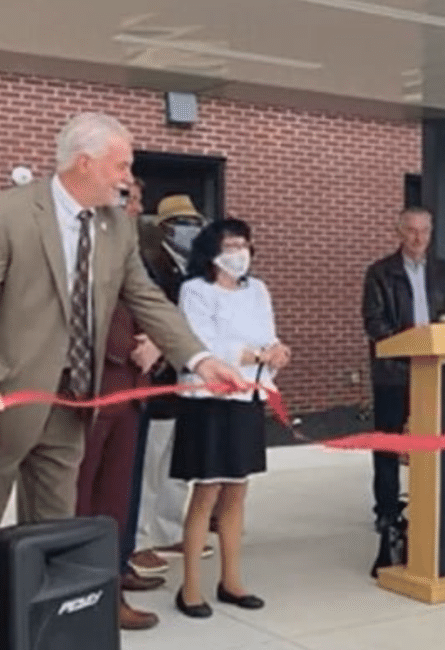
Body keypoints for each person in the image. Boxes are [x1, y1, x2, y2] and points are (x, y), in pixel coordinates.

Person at [0, 111, 248, 529]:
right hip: (5, 400)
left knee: (53, 532)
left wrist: (199, 360)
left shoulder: (118, 229)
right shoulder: (6, 213)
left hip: (74, 403)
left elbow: (147, 299)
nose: (127, 177)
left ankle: (37, 596)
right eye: (121, 165)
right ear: (84, 162)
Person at [172, 217, 290, 617]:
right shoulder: (194, 291)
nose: (241, 252)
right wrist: (254, 353)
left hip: (247, 397)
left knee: (237, 490)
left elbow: (267, 335)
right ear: (212, 251)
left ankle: (232, 580)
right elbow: (205, 344)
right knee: (207, 491)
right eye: (232, 244)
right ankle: (189, 587)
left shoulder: (257, 289)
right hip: (207, 399)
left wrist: (276, 352)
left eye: (246, 244)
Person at [74, 176, 166, 630]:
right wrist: (130, 344)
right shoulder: (86, 242)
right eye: (130, 198)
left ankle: (111, 581)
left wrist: (157, 344)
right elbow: (86, 311)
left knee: (117, 497)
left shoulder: (136, 252)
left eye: (139, 201)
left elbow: (148, 306)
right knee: (82, 496)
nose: (136, 208)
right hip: (94, 389)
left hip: (132, 391)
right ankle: (83, 592)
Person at [361, 207, 445, 575]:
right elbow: (374, 322)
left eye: (424, 231)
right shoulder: (380, 273)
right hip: (394, 372)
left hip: (434, 372)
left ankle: (431, 505)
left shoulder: (444, 272)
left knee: (434, 444)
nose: (418, 238)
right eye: (411, 231)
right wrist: (408, 347)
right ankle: (387, 511)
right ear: (398, 232)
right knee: (389, 445)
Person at [130, 193, 215, 577]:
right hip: (157, 375)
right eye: (182, 223)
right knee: (148, 463)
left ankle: (167, 530)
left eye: (195, 223)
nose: (190, 230)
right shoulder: (150, 262)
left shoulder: (194, 268)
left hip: (187, 379)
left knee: (175, 463)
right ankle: (139, 539)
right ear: (163, 227)